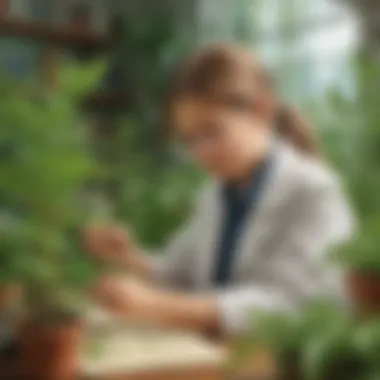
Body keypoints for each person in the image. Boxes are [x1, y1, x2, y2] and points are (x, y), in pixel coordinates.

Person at [83, 44, 354, 337]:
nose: (200, 153)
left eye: (211, 132)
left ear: (261, 110)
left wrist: (157, 305)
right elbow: (180, 273)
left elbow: (287, 304)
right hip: (225, 356)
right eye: (189, 139)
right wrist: (128, 257)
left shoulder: (315, 193)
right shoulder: (216, 193)